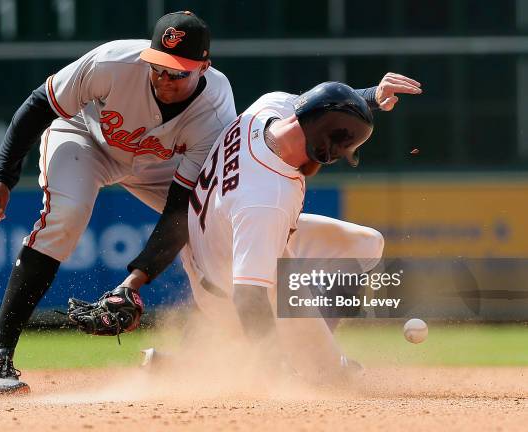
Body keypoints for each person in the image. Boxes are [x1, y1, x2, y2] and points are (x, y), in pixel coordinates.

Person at [0, 11, 236, 397]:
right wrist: (1, 175)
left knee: (209, 228)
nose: (164, 80)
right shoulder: (112, 62)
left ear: (204, 68)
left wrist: (134, 281)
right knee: (67, 216)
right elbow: (39, 105)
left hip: (156, 163)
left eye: (177, 72)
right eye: (158, 68)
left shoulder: (215, 115)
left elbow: (180, 210)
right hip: (85, 137)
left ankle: (198, 355)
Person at [136, 77, 421, 381]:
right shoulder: (267, 199)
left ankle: (304, 347)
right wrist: (273, 366)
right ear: (325, 149)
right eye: (340, 151)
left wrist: (371, 96)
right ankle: (196, 370)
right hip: (228, 293)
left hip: (220, 238)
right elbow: (249, 296)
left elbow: (322, 106)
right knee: (334, 379)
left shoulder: (268, 107)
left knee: (366, 244)